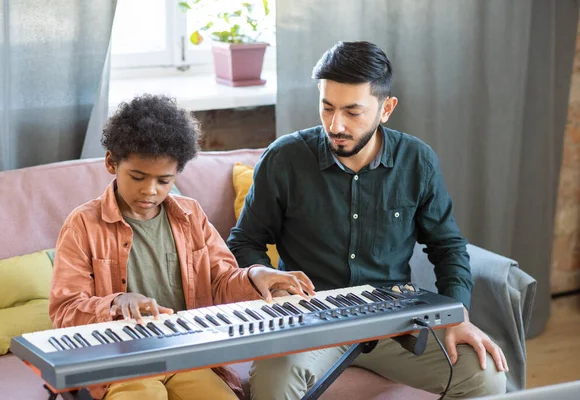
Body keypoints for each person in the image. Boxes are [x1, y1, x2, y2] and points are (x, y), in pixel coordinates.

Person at [227, 41, 508, 400]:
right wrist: (276, 286)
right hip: (311, 319)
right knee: (272, 384)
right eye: (326, 107)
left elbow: (448, 246)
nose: (335, 124)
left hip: (396, 322)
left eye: (352, 111)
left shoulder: (417, 161)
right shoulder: (284, 159)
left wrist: (456, 314)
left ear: (386, 109)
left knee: (487, 378)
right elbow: (244, 240)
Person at [49, 94, 315, 400]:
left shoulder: (190, 215)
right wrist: (114, 303)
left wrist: (255, 275)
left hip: (186, 357)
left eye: (164, 180)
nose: (150, 190)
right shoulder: (82, 225)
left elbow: (220, 281)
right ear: (111, 162)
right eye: (137, 176)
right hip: (119, 364)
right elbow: (64, 310)